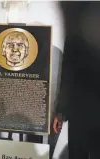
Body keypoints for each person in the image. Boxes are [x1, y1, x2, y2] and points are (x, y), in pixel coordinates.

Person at [53, 2, 100, 159]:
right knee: (77, 154)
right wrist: (60, 111)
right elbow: (67, 75)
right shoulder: (75, 36)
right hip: (79, 110)